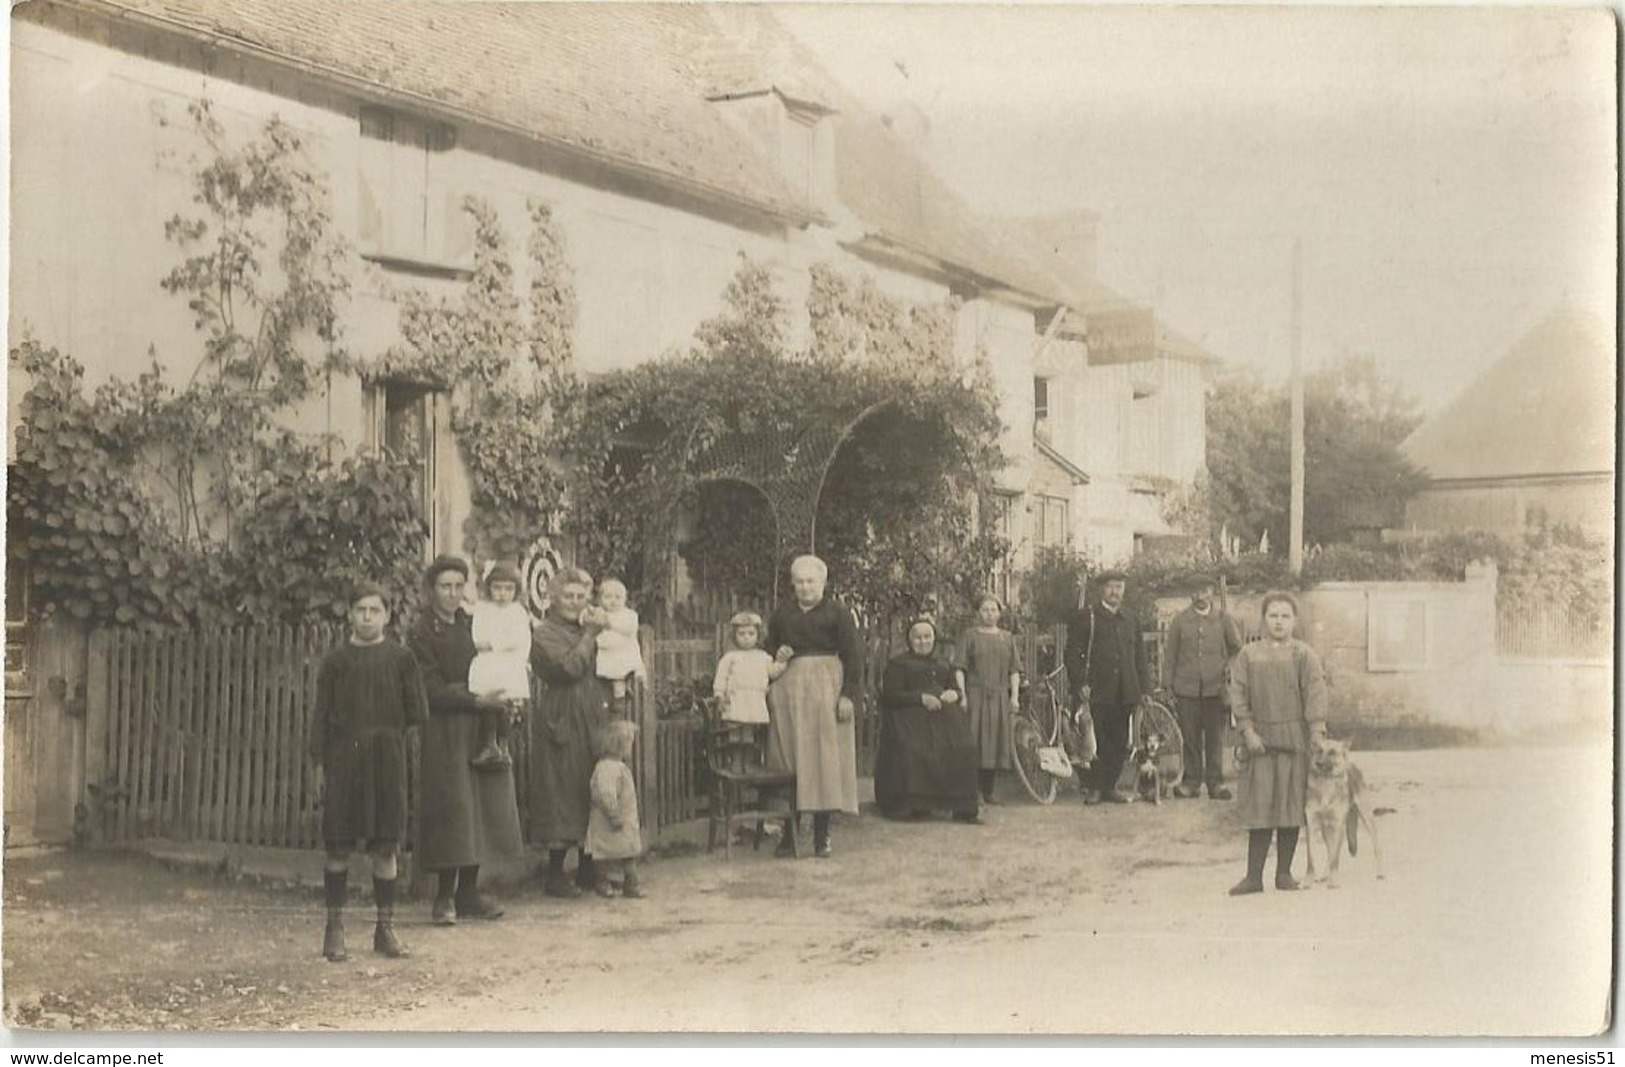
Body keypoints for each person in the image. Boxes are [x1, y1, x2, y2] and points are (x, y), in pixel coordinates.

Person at [311, 581, 429, 962]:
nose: (367, 617)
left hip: (387, 760)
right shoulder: (335, 662)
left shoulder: (401, 659)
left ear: (387, 616)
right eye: (360, 610)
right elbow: (320, 718)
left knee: (385, 846)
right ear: (349, 614)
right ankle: (334, 928)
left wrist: (388, 739)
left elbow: (417, 713)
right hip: (344, 759)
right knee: (338, 846)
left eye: (374, 611)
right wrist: (318, 763)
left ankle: (385, 928)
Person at [408, 556, 523, 926]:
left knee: (483, 806)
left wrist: (507, 695)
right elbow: (429, 687)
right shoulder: (422, 632)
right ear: (431, 590)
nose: (453, 594)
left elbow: (499, 662)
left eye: (459, 586)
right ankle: (443, 896)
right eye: (445, 586)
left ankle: (469, 892)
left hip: (481, 726)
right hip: (446, 728)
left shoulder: (475, 626)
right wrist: (475, 698)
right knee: (452, 809)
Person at [1228, 591, 1328, 895]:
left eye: (1285, 616)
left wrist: (1316, 733)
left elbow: (1315, 694)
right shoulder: (1248, 655)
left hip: (1293, 740)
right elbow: (1238, 695)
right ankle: (1253, 877)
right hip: (1259, 739)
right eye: (1274, 616)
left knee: (1290, 804)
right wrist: (1247, 732)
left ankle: (1284, 874)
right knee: (1260, 805)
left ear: (1294, 620)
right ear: (1263, 619)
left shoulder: (1304, 655)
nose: (1279, 622)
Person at [763, 554, 863, 858]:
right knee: (791, 759)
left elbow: (854, 656)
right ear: (792, 584)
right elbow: (768, 649)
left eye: (811, 581)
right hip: (789, 693)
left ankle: (822, 835)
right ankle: (789, 837)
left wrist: (848, 695)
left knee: (823, 760)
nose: (805, 587)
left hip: (826, 690)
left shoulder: (838, 613)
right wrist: (777, 654)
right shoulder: (782, 613)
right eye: (800, 582)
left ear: (822, 583)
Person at [530, 566, 614, 898]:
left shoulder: (589, 627)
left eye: (580, 596)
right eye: (567, 596)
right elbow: (568, 669)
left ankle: (589, 869)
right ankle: (554, 874)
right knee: (562, 791)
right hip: (562, 715)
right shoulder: (545, 633)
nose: (574, 602)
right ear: (553, 597)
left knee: (591, 785)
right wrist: (590, 636)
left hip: (593, 712)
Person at [876, 617, 981, 823]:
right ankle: (915, 804)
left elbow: (956, 688)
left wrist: (954, 694)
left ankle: (962, 808)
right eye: (917, 637)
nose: (923, 642)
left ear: (934, 638)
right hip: (909, 717)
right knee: (914, 748)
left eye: (927, 637)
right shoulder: (898, 664)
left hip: (943, 719)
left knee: (964, 746)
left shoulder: (943, 663)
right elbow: (890, 695)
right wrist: (920, 698)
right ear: (910, 639)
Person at [1064, 569, 1150, 805]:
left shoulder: (1130, 618)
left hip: (1125, 690)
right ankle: (1094, 787)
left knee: (1119, 741)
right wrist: (1080, 682)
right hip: (1096, 690)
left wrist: (1144, 688)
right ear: (1102, 589)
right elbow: (1072, 654)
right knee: (1095, 740)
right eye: (1111, 587)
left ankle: (1110, 786)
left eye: (1119, 587)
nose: (1115, 592)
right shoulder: (1087, 617)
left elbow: (1140, 656)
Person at [1164, 576, 1244, 800]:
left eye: (1205, 591)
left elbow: (1237, 649)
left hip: (1215, 690)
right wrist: (1168, 685)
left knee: (1215, 739)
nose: (1200, 597)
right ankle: (1191, 783)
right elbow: (1170, 655)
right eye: (1195, 592)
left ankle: (1215, 783)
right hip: (1186, 689)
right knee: (1190, 739)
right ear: (1190, 594)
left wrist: (1229, 670)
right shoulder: (1180, 621)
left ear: (1212, 592)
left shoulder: (1223, 619)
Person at [953, 594, 1021, 806]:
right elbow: (960, 668)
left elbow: (1014, 670)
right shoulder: (969, 636)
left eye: (993, 610)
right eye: (985, 610)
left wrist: (1014, 696)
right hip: (976, 695)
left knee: (994, 742)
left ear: (1000, 613)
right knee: (975, 741)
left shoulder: (1007, 638)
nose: (989, 614)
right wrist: (963, 695)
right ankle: (973, 791)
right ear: (978, 613)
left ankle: (989, 791)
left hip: (999, 696)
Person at [467, 561, 532, 771]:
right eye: (497, 588)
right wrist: (487, 643)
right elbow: (478, 637)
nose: (503, 594)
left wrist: (494, 643)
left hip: (508, 667)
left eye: (508, 589)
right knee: (488, 702)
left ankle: (503, 747)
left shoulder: (518, 612)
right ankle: (490, 744)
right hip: (487, 666)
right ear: (489, 588)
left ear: (516, 590)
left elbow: (519, 639)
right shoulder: (483, 609)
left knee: (503, 705)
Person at [586, 720, 644, 898]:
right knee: (604, 853)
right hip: (610, 820)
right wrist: (613, 814)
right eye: (629, 743)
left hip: (623, 818)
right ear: (618, 745)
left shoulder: (617, 767)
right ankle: (603, 883)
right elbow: (606, 793)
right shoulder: (608, 768)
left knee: (628, 852)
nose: (630, 748)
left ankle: (631, 884)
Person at [712, 611, 784, 733]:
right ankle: (735, 751)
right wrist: (719, 695)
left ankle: (750, 751)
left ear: (758, 635)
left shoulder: (763, 657)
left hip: (755, 701)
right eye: (741, 634)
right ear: (734, 636)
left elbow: (773, 672)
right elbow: (721, 678)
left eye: (751, 634)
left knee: (751, 734)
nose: (746, 637)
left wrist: (782, 661)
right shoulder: (730, 657)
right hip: (736, 701)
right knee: (734, 732)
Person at [594, 578, 647, 708]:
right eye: (608, 597)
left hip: (622, 651)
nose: (613, 601)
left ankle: (620, 697)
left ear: (624, 599)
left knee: (618, 675)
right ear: (601, 599)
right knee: (604, 677)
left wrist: (610, 624)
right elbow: (589, 622)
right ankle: (610, 697)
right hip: (606, 650)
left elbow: (629, 628)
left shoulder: (628, 615)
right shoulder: (600, 613)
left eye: (618, 597)